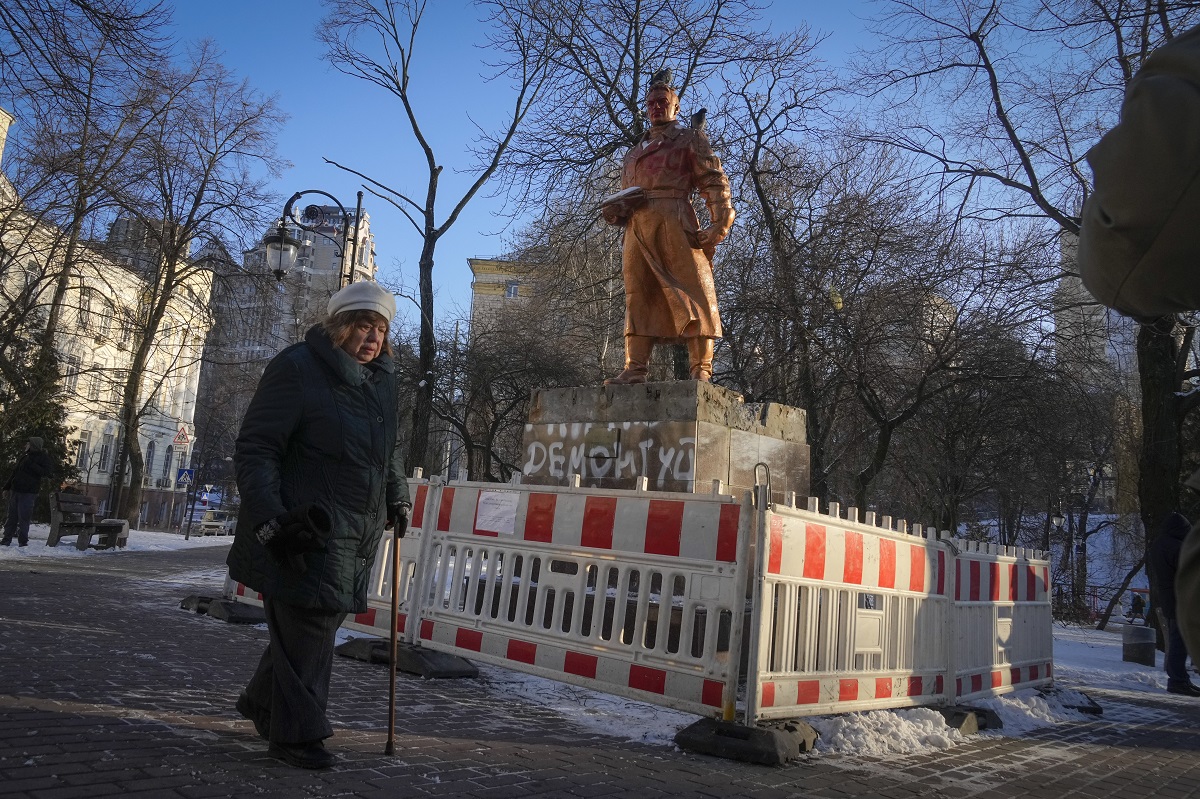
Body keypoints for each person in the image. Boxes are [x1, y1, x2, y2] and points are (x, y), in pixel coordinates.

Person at [226, 280, 411, 769]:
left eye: (381, 328)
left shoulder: (382, 382)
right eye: (363, 326)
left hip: (358, 531)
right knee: (308, 624)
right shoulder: (296, 368)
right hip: (304, 527)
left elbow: (387, 451)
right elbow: (256, 448)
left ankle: (263, 704)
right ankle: (296, 734)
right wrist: (271, 518)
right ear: (338, 327)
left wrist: (398, 495)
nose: (373, 337)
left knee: (315, 625)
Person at [601, 68, 734, 385]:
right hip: (637, 228)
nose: (656, 107)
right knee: (638, 294)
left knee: (695, 290)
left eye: (662, 101)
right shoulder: (634, 152)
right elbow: (628, 192)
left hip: (676, 221)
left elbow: (714, 182)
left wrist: (720, 221)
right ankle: (635, 369)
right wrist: (615, 210)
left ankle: (701, 369)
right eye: (650, 103)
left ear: (675, 107)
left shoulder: (689, 139)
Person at [1149, 512, 1200, 696]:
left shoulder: (1160, 544)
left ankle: (1180, 679)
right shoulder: (1176, 547)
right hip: (1181, 600)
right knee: (1180, 641)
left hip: (1170, 598)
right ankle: (1178, 681)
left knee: (1178, 640)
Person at [2, 436, 54, 547]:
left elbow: (47, 473)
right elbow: (14, 473)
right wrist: (6, 488)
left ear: (33, 445)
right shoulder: (25, 457)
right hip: (16, 490)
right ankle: (6, 539)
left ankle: (23, 541)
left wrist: (32, 464)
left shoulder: (42, 458)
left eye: (28, 444)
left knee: (23, 517)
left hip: (28, 492)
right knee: (11, 517)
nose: (26, 446)